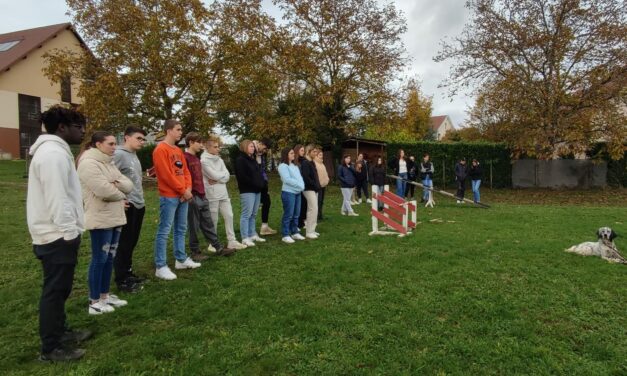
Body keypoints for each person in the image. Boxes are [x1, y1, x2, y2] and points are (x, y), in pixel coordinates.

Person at [27, 106, 89, 361]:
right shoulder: (52, 155)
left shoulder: (55, 152)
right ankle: (51, 348)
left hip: (57, 232)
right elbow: (57, 198)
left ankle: (61, 332)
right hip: (56, 235)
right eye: (78, 127)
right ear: (62, 128)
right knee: (55, 290)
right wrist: (68, 231)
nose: (83, 131)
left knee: (60, 289)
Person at [77, 131, 134, 316]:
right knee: (99, 258)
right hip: (100, 218)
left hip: (115, 216)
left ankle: (104, 295)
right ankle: (94, 301)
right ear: (98, 144)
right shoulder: (88, 163)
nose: (114, 147)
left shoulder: (108, 163)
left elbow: (128, 184)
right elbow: (103, 190)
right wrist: (119, 193)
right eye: (110, 143)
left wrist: (116, 186)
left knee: (109, 258)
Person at [153, 119, 200, 281]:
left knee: (181, 228)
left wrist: (187, 189)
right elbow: (166, 175)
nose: (181, 132)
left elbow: (185, 171)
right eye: (178, 129)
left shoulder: (178, 150)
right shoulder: (161, 149)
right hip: (169, 196)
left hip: (183, 195)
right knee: (164, 230)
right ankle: (160, 266)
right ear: (168, 130)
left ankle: (181, 259)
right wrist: (182, 190)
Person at [184, 133, 231, 260]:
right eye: (198, 142)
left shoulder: (196, 158)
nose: (201, 145)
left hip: (202, 195)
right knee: (193, 226)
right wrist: (188, 194)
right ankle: (195, 252)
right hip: (192, 196)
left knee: (208, 223)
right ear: (191, 143)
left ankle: (218, 247)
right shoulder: (185, 157)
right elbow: (184, 178)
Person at [112, 126, 147, 293]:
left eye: (143, 139)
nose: (142, 142)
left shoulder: (134, 155)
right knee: (124, 243)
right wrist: (120, 199)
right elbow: (109, 177)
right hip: (128, 205)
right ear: (127, 137)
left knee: (132, 241)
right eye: (139, 138)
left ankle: (128, 272)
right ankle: (121, 279)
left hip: (139, 203)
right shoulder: (118, 154)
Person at [201, 134, 247, 250]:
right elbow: (213, 175)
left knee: (229, 215)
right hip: (212, 194)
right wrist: (219, 177)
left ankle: (231, 241)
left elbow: (227, 176)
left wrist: (218, 179)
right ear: (208, 148)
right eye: (215, 147)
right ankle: (212, 243)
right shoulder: (203, 161)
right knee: (213, 219)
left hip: (223, 192)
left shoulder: (220, 159)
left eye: (218, 147)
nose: (218, 149)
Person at [234, 139, 266, 247]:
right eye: (251, 146)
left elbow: (259, 173)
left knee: (254, 214)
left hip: (257, 190)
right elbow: (242, 177)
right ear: (245, 147)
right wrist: (255, 184)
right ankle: (245, 237)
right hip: (247, 191)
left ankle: (252, 234)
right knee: (246, 214)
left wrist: (261, 183)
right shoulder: (240, 160)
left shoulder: (253, 159)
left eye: (253, 146)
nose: (253, 148)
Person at [277, 147, 305, 244]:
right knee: (288, 214)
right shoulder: (283, 166)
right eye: (291, 153)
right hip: (288, 193)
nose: (294, 154)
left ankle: (294, 232)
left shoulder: (294, 166)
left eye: (293, 153)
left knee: (296, 214)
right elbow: (287, 179)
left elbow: (299, 178)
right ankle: (285, 234)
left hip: (297, 192)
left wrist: (301, 185)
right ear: (286, 155)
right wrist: (300, 185)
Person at [254, 139, 278, 236]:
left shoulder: (261, 155)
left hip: (263, 183)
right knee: (253, 207)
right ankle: (249, 231)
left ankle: (264, 227)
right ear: (260, 144)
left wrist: (265, 180)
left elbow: (262, 169)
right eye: (264, 148)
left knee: (267, 202)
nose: (265, 151)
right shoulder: (251, 152)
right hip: (254, 184)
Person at [300, 144, 321, 239]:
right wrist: (315, 185)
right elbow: (306, 178)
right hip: (308, 189)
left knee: (312, 209)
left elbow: (315, 176)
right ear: (308, 151)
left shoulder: (311, 162)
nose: (315, 153)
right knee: (313, 209)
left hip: (314, 188)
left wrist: (317, 185)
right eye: (314, 151)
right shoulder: (305, 163)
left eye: (316, 151)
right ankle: (309, 232)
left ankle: (312, 230)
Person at [294, 144, 307, 229]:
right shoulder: (296, 162)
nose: (303, 152)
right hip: (298, 185)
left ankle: (302, 220)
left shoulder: (304, 160)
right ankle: (298, 222)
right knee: (299, 205)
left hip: (304, 184)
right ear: (297, 151)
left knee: (304, 203)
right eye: (302, 150)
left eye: (304, 150)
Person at [313, 148, 329, 221]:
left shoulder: (322, 163)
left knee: (321, 201)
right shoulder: (314, 163)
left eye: (322, 155)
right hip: (318, 186)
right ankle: (316, 216)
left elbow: (325, 173)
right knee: (318, 202)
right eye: (320, 155)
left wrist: (327, 179)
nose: (321, 156)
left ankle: (320, 215)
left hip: (323, 185)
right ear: (316, 155)